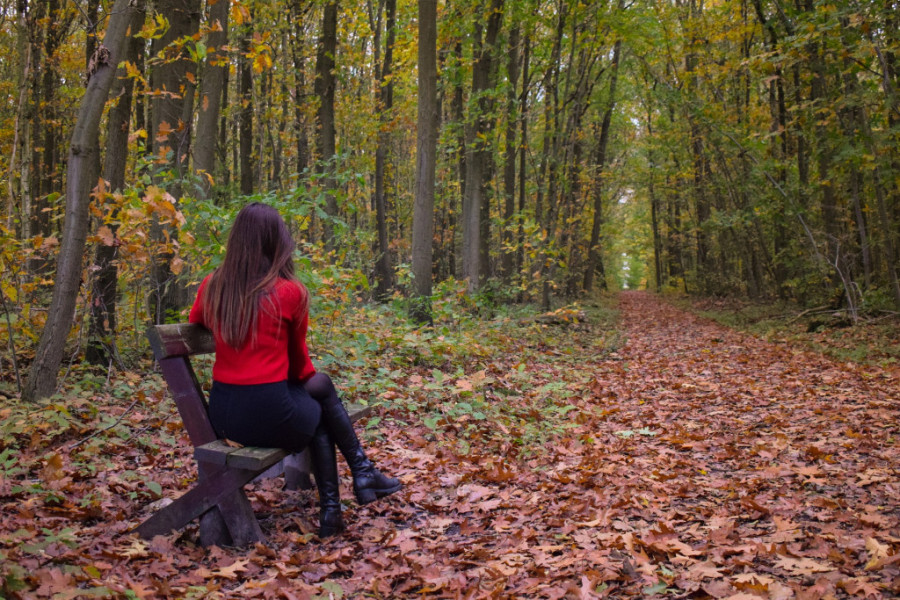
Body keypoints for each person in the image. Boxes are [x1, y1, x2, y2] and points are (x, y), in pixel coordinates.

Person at [188, 202, 401, 537]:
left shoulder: (212, 285)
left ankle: (356, 482)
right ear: (276, 243)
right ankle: (344, 495)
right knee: (320, 404)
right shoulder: (289, 292)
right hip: (269, 414)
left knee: (319, 400)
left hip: (224, 414)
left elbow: (195, 321)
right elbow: (302, 369)